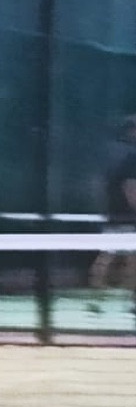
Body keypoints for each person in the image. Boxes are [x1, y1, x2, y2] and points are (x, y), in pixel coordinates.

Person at [89, 115, 136, 316]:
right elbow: (130, 188)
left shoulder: (115, 154)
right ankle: (128, 302)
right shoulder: (131, 156)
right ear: (132, 131)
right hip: (127, 217)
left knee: (111, 257)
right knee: (121, 258)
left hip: (114, 214)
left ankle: (98, 300)